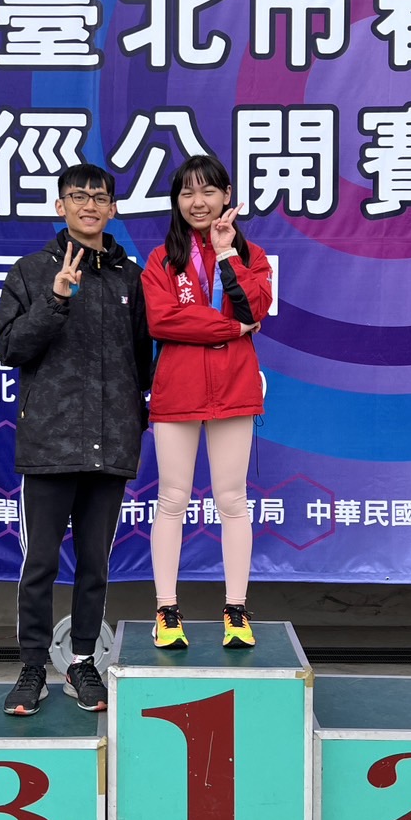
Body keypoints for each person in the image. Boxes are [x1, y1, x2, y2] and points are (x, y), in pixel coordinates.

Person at [0, 164, 153, 715]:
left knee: (94, 564)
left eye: (99, 197)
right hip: (49, 443)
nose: (89, 205)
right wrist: (56, 300)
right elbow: (9, 349)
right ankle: (32, 666)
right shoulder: (33, 271)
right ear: (60, 206)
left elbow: (142, 362)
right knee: (40, 563)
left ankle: (83, 662)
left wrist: (132, 418)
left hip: (111, 443)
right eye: (78, 196)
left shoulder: (131, 278)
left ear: (113, 208)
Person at [141, 156, 272, 650]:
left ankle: (236, 610)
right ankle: (166, 610)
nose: (198, 202)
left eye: (208, 191)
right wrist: (230, 329)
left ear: (226, 196)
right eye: (187, 193)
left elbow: (256, 307)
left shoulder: (251, 255)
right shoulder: (161, 260)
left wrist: (225, 254)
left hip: (234, 387)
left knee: (232, 500)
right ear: (176, 201)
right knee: (172, 499)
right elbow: (162, 321)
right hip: (178, 389)